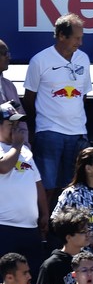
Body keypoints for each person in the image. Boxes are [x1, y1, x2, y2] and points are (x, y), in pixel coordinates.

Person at [22, 13, 91, 204]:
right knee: (47, 186)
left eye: (81, 37)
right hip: (49, 133)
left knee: (73, 188)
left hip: (78, 134)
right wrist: (40, 124)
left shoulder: (84, 59)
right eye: (77, 37)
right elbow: (29, 99)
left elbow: (82, 95)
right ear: (61, 35)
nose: (81, 42)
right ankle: (42, 230)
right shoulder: (40, 60)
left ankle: (67, 231)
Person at [0, 101, 47, 272]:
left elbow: (37, 183)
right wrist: (17, 145)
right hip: (4, 227)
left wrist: (44, 214)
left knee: (31, 277)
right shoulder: (14, 147)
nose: (16, 128)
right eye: (10, 124)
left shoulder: (25, 151)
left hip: (30, 228)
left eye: (17, 123)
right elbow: (3, 167)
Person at [37, 207, 93, 284]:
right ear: (68, 237)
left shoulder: (90, 260)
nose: (88, 234)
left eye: (88, 230)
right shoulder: (51, 265)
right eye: (83, 231)